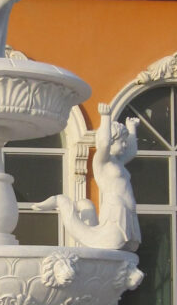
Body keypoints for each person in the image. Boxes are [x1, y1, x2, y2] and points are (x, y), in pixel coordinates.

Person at [32, 104, 141, 251]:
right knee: (114, 256)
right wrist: (105, 117)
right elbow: (103, 143)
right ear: (111, 140)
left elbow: (132, 152)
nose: (124, 145)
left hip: (127, 215)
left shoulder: (118, 162)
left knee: (126, 257)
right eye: (121, 141)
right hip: (115, 214)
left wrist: (132, 127)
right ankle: (60, 201)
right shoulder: (102, 161)